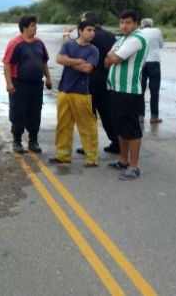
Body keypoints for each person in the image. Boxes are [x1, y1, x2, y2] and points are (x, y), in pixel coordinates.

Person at [105, 10, 148, 180]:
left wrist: (112, 54)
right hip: (116, 88)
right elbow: (107, 61)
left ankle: (134, 167)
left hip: (129, 91)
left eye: (128, 22)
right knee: (120, 127)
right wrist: (112, 55)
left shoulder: (137, 39)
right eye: (122, 22)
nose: (124, 25)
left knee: (132, 128)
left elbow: (114, 59)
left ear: (136, 23)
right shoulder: (123, 39)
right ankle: (123, 160)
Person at [50, 20, 100, 167]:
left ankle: (92, 158)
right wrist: (78, 61)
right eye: (89, 30)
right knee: (63, 124)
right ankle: (62, 155)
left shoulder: (93, 50)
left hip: (82, 92)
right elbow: (59, 59)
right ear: (80, 31)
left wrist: (68, 62)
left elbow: (87, 69)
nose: (92, 33)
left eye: (93, 30)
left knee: (87, 125)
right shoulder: (68, 45)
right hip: (64, 90)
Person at [3, 15, 52, 154]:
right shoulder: (15, 43)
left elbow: (44, 62)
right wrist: (9, 83)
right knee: (18, 112)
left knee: (35, 112)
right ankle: (17, 141)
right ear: (24, 28)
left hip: (36, 85)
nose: (35, 27)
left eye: (36, 25)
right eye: (33, 25)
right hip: (19, 85)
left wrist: (48, 78)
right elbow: (7, 64)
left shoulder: (39, 43)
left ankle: (33, 141)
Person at [74, 12, 120, 156]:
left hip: (89, 77)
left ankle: (89, 145)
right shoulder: (110, 36)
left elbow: (76, 51)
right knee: (107, 112)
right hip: (106, 77)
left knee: (88, 113)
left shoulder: (88, 36)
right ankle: (116, 142)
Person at [140, 18, 163, 124]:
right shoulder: (157, 31)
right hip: (154, 62)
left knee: (140, 89)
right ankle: (154, 116)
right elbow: (161, 45)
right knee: (154, 90)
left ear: (142, 25)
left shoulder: (138, 32)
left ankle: (140, 116)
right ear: (152, 24)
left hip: (141, 62)